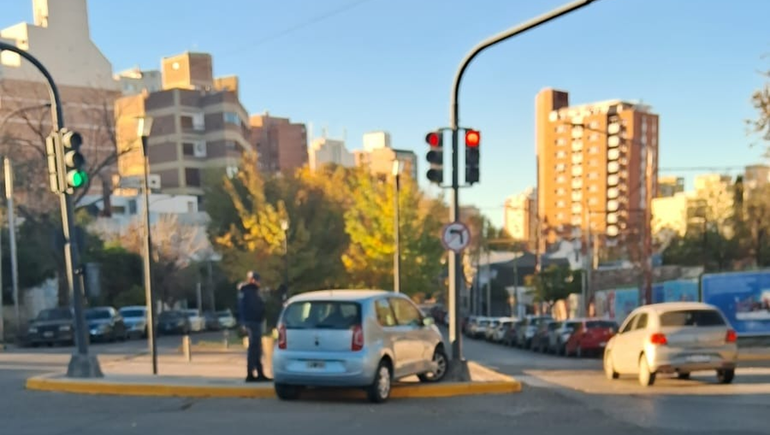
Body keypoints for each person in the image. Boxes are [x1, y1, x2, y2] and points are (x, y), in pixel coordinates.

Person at [238, 271, 270, 382]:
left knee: (256, 348)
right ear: (252, 280)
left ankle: (259, 373)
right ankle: (250, 374)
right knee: (254, 348)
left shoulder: (252, 291)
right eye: (257, 280)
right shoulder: (248, 291)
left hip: (254, 321)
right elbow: (246, 308)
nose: (259, 283)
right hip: (252, 322)